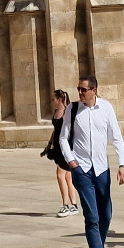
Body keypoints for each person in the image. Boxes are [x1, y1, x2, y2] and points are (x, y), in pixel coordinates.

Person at [58, 75, 124, 248]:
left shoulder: (106, 108)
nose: (80, 93)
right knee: (92, 216)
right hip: (82, 170)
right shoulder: (73, 109)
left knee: (106, 214)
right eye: (78, 89)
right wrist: (72, 162)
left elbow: (117, 138)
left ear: (94, 90)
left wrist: (122, 165)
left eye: (83, 89)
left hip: (102, 169)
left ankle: (96, 246)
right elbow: (63, 138)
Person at [45, 88, 78, 217]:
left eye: (54, 99)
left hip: (66, 148)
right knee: (68, 177)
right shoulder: (56, 112)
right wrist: (49, 143)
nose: (52, 101)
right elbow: (55, 130)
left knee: (60, 175)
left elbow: (71, 131)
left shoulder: (66, 113)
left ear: (59, 100)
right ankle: (74, 205)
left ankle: (65, 205)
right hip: (57, 147)